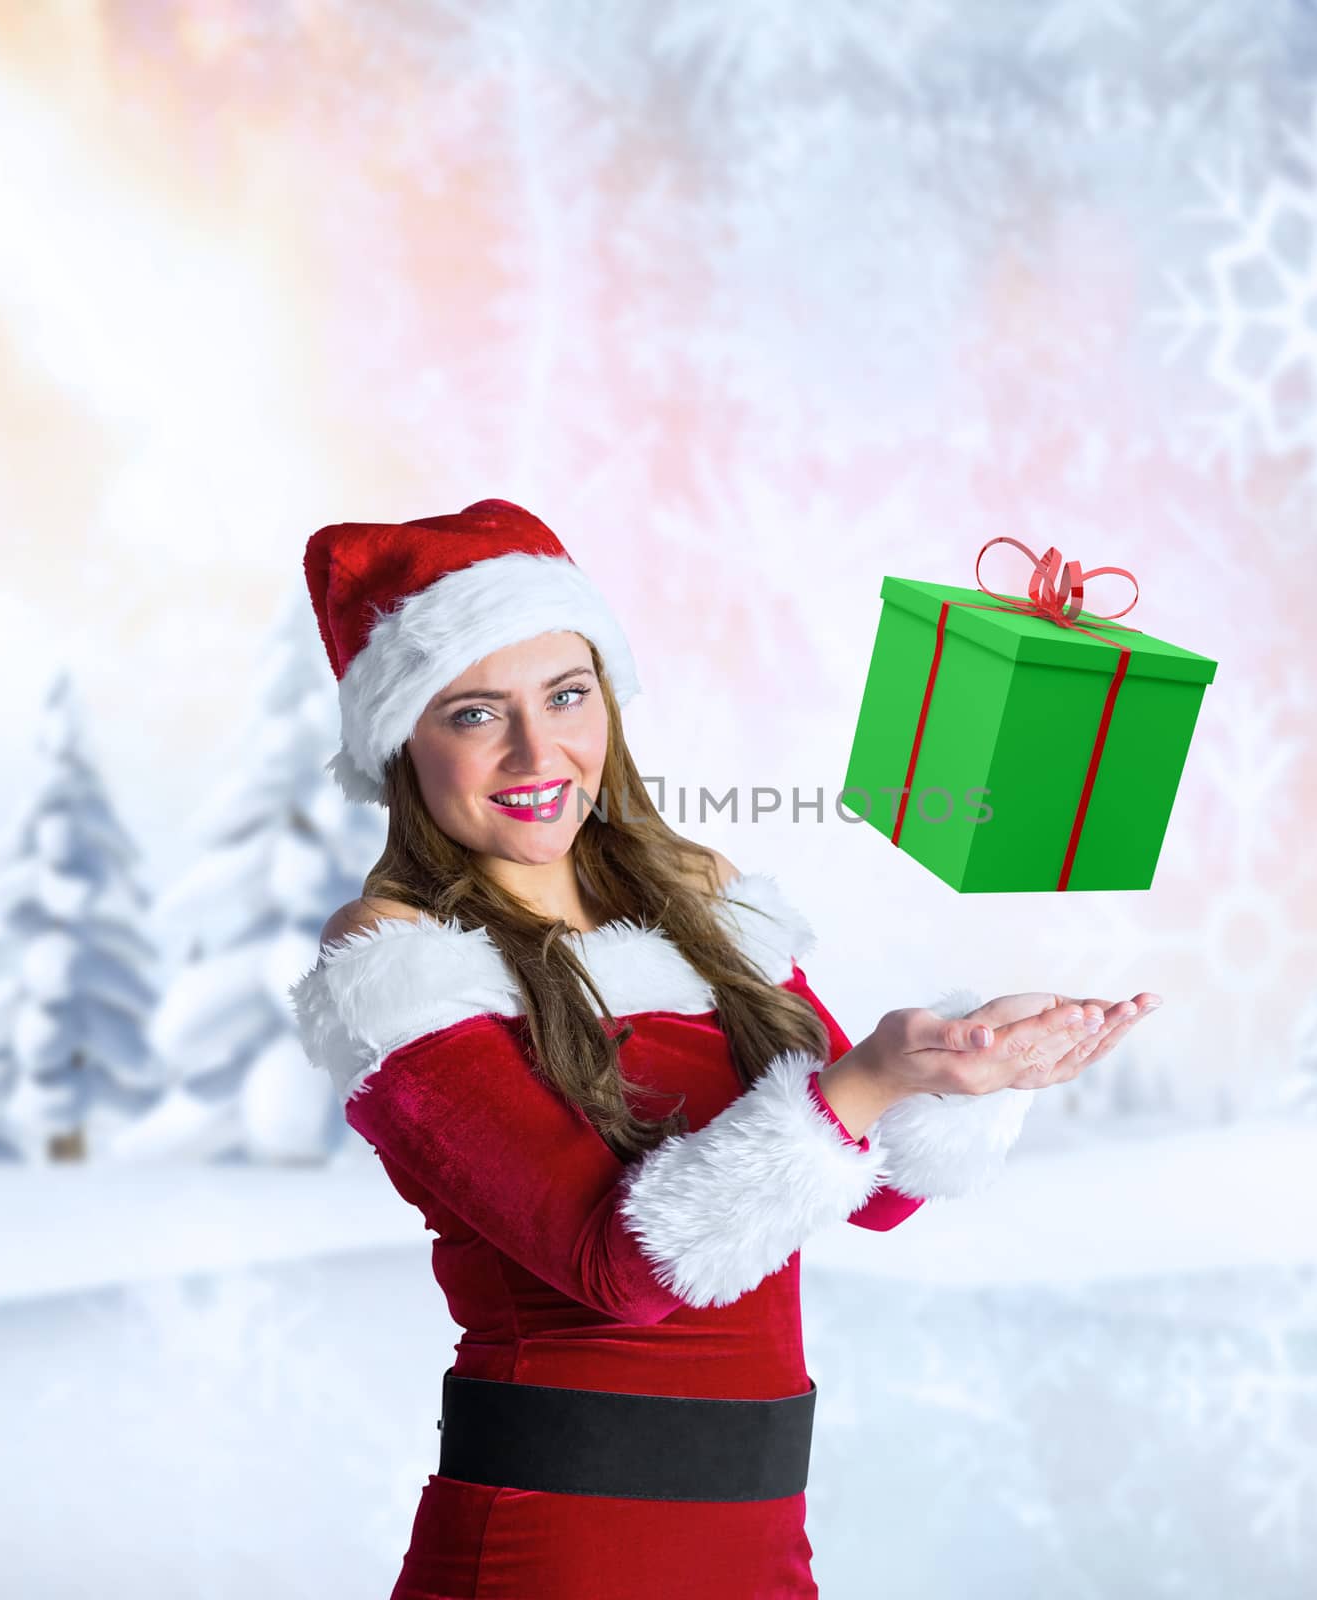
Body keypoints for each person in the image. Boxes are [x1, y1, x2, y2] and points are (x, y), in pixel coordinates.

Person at [287, 497, 1160, 1599]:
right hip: (555, 1544)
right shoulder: (396, 957)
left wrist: (969, 1065)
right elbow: (625, 1269)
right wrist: (869, 1076)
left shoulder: (695, 899)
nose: (536, 749)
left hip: (754, 1536)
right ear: (401, 743)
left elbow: (872, 1187)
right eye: (472, 713)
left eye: (566, 694)